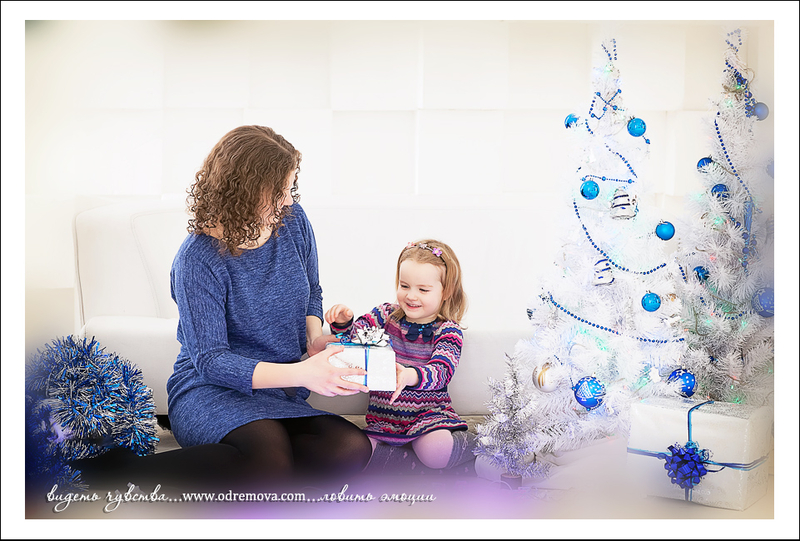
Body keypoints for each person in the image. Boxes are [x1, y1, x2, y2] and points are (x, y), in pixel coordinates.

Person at [74, 125, 372, 492]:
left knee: (349, 450)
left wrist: (314, 340)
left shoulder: (292, 222)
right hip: (209, 391)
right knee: (268, 465)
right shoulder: (197, 259)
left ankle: (244, 470)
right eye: (279, 191)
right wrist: (303, 374)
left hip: (278, 391)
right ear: (245, 192)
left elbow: (312, 291)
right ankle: (115, 471)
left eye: (290, 188)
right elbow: (211, 360)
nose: (287, 201)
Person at [325, 239, 476, 474]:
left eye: (423, 290)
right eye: (405, 286)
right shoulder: (385, 315)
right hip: (384, 421)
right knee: (355, 454)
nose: (411, 296)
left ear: (446, 291)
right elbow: (354, 340)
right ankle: (415, 467)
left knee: (435, 451)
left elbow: (441, 371)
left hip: (429, 418)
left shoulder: (447, 330)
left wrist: (409, 376)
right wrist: (344, 323)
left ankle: (480, 448)